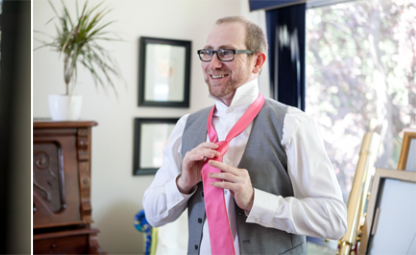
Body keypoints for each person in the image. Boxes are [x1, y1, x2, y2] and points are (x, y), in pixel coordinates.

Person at [142, 16, 347, 255]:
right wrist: (183, 184)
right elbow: (152, 214)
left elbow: (334, 220)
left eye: (226, 53)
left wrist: (255, 201)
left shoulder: (293, 124)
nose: (213, 64)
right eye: (208, 53)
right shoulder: (185, 126)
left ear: (257, 62)